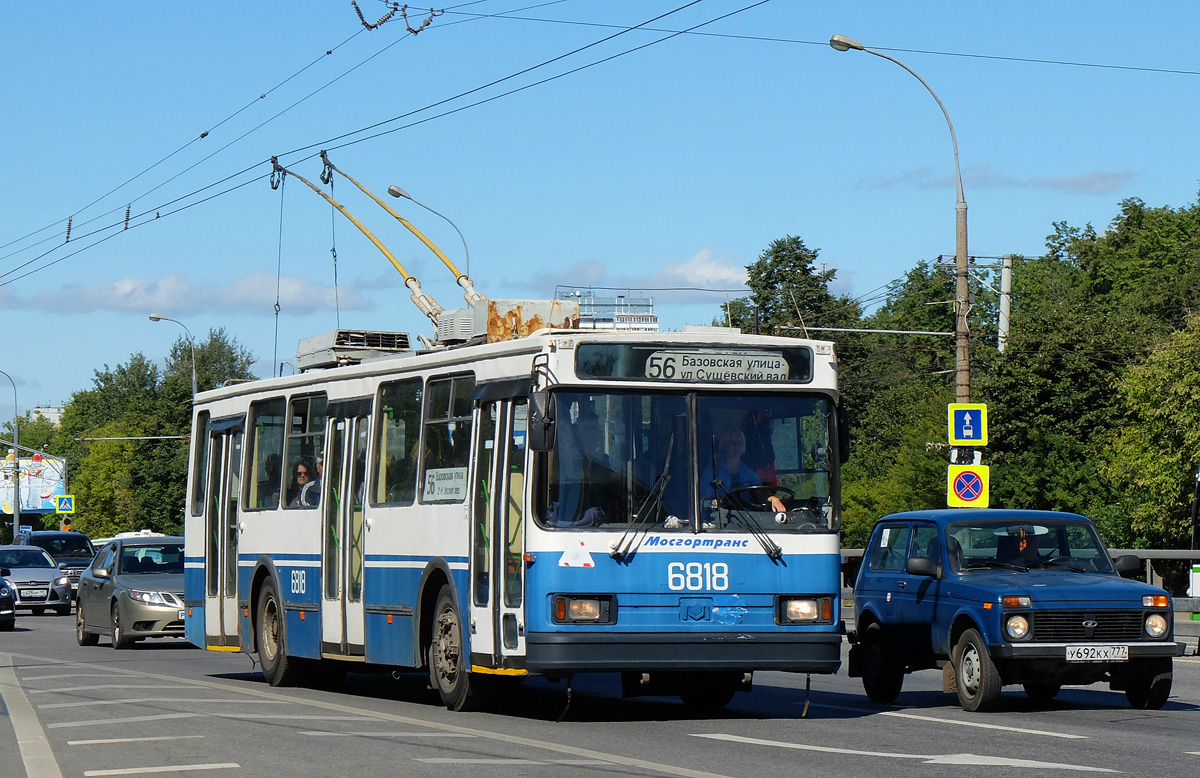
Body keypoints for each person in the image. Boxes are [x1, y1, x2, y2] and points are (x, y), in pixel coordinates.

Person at [700, 430, 786, 513]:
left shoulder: (748, 472)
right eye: (732, 443)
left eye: (739, 443)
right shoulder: (711, 471)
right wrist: (720, 503)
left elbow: (760, 492)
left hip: (746, 520)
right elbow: (705, 500)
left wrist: (773, 499)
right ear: (724, 445)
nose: (736, 445)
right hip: (719, 521)